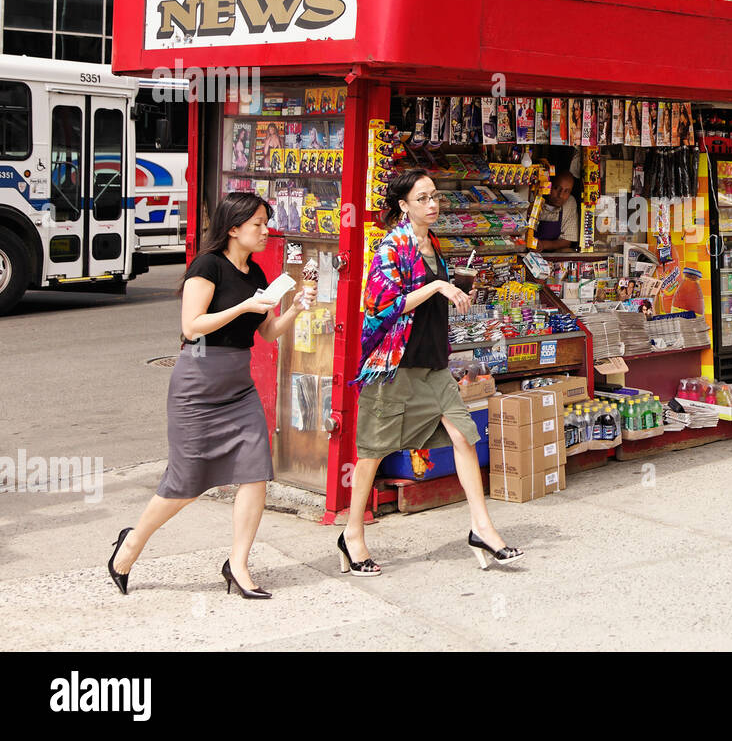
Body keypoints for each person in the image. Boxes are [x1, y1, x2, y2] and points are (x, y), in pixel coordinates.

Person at [108, 193, 316, 599]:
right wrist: (244, 307)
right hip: (198, 385)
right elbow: (192, 327)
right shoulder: (207, 266)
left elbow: (268, 333)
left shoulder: (256, 273)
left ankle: (238, 565)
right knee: (185, 483)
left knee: (256, 473)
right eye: (258, 223)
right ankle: (130, 544)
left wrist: (294, 310)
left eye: (265, 222)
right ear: (234, 227)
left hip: (238, 387)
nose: (265, 230)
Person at [343, 169, 522, 574]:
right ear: (403, 205)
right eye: (422, 198)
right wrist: (438, 288)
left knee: (464, 435)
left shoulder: (433, 246)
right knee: (372, 450)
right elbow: (379, 308)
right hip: (395, 365)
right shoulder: (391, 248)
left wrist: (457, 292)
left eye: (435, 197)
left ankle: (482, 527)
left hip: (434, 363)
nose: (433, 204)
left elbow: (427, 302)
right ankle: (352, 534)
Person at [535, 169, 579, 251]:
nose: (561, 195)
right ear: (548, 185)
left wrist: (543, 245)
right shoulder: (535, 197)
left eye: (566, 191)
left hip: (553, 254)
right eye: (556, 188)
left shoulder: (570, 202)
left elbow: (567, 241)